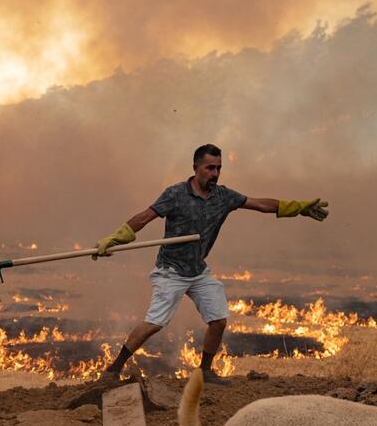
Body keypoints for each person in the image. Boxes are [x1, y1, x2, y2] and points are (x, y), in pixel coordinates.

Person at [94, 144, 328, 385]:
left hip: (198, 271)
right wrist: (116, 237)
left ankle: (205, 371)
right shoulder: (175, 194)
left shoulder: (223, 197)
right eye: (209, 168)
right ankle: (114, 369)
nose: (215, 174)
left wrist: (298, 208)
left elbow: (260, 204)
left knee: (218, 321)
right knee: (154, 324)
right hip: (171, 271)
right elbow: (144, 217)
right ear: (196, 168)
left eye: (218, 168)